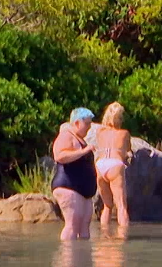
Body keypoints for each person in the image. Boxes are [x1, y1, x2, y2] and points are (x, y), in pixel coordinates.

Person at [51, 107, 97, 240]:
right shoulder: (66, 135)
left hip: (84, 190)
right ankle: (68, 258)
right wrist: (84, 151)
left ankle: (83, 258)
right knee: (72, 225)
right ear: (77, 123)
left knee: (84, 226)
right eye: (87, 123)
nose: (89, 127)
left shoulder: (80, 138)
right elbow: (59, 156)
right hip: (69, 186)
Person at [94, 102, 133, 229]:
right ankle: (122, 239)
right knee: (121, 206)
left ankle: (104, 237)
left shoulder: (100, 132)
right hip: (115, 165)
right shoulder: (125, 133)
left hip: (100, 165)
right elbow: (128, 151)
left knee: (107, 205)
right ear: (120, 118)